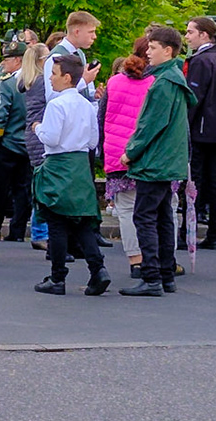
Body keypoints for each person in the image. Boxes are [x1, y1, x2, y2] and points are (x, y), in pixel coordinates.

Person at [120, 25, 195, 296]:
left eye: (152, 48)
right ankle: (166, 274)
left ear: (168, 50)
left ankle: (152, 276)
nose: (147, 53)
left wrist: (131, 151)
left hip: (155, 162)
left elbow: (151, 124)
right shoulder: (172, 77)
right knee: (163, 216)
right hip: (168, 160)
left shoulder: (164, 83)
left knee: (145, 217)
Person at [31, 55, 109, 296]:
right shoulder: (87, 105)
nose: (51, 78)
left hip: (59, 164)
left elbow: (51, 138)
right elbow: (94, 141)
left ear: (67, 77)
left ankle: (57, 278)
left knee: (56, 222)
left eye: (54, 73)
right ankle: (98, 270)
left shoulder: (56, 105)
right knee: (82, 221)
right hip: (79, 166)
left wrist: (37, 128)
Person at [100, 42, 154, 277]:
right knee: (162, 208)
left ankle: (135, 260)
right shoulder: (158, 83)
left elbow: (101, 117)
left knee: (126, 209)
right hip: (152, 154)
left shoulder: (114, 82)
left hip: (118, 152)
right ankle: (161, 258)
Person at [183, 16, 216, 249]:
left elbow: (194, 99)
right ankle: (214, 233)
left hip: (203, 128)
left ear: (204, 34)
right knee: (215, 180)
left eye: (190, 32)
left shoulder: (202, 61)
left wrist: (184, 125)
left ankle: (189, 231)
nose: (186, 37)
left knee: (197, 180)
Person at [0, 34, 31, 243]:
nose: (3, 63)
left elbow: (1, 114)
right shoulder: (35, 81)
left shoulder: (8, 83)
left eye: (7, 59)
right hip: (28, 143)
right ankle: (17, 231)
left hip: (7, 142)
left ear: (18, 60)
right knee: (22, 189)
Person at [18, 43, 52, 251]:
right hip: (39, 134)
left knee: (40, 183)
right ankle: (40, 232)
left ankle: (40, 231)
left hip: (32, 135)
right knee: (43, 186)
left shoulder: (29, 81)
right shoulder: (42, 82)